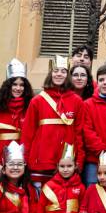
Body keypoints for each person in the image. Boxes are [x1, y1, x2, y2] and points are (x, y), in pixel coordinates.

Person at [21, 56, 84, 189]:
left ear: (68, 75)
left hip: (66, 161)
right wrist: (25, 158)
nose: (59, 74)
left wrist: (79, 159)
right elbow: (28, 133)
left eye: (63, 71)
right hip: (41, 159)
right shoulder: (37, 100)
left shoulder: (77, 101)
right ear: (50, 74)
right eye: (55, 71)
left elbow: (79, 133)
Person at [0, 68, 31, 180]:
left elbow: (32, 138)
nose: (18, 88)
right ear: (8, 86)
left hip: (21, 165)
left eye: (22, 85)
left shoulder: (30, 107)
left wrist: (24, 163)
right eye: (15, 84)